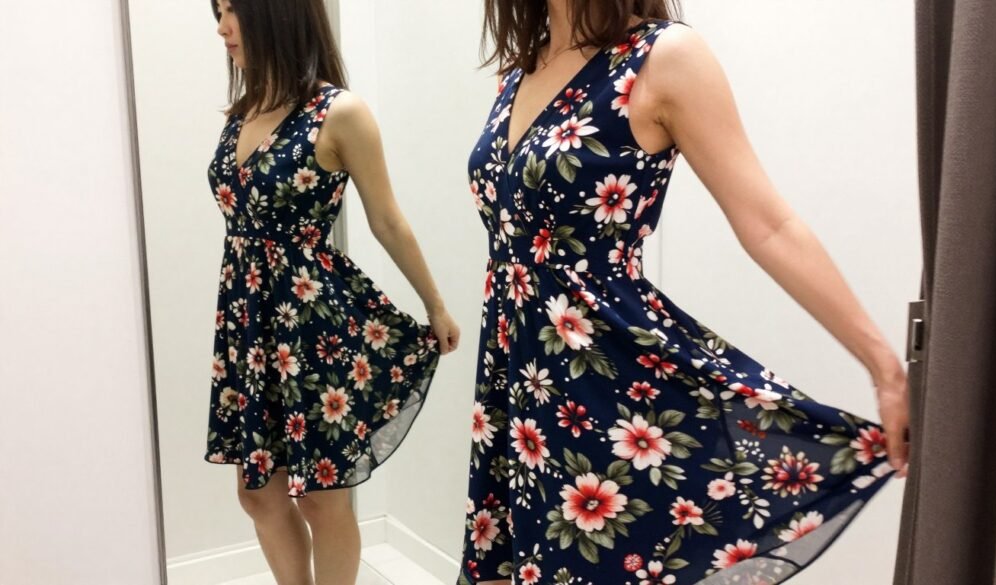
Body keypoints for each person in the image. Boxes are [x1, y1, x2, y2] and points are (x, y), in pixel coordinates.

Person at [458, 1, 910, 584]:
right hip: (516, 385)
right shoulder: (519, 69)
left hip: (610, 390)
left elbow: (769, 225)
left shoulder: (663, 56)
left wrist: (883, 367)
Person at [204, 1, 460, 584]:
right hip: (248, 327)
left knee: (322, 499)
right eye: (216, 12)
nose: (222, 28)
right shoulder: (242, 112)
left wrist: (435, 305)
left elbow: (387, 220)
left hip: (314, 325)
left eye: (232, 10)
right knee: (258, 495)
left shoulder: (338, 112)